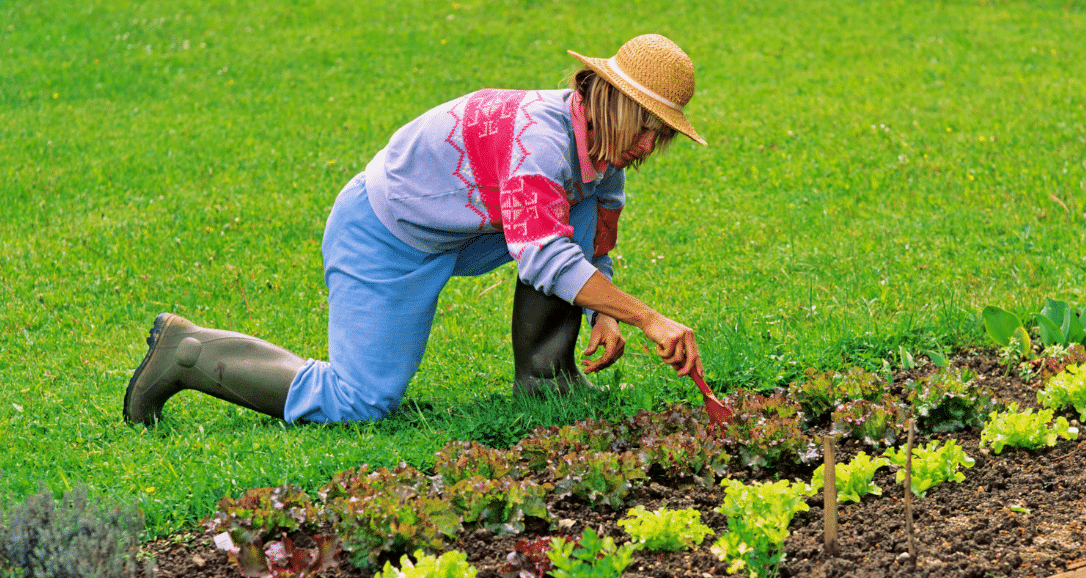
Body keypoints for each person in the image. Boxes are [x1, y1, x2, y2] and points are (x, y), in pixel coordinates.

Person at [123, 33, 707, 426]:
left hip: (462, 229)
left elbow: (589, 244)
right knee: (361, 400)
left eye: (663, 135)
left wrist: (602, 309)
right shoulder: (542, 142)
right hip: (384, 234)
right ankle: (189, 352)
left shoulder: (604, 153)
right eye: (644, 128)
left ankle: (547, 384)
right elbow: (546, 255)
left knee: (555, 240)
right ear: (608, 100)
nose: (648, 147)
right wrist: (648, 318)